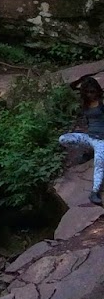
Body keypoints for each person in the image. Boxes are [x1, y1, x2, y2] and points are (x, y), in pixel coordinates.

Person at [58, 74, 104, 206]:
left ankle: (94, 192)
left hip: (102, 140)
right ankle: (88, 151)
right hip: (90, 137)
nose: (91, 94)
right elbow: (72, 87)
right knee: (64, 139)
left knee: (99, 163)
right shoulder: (86, 104)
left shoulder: (102, 103)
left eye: (93, 91)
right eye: (88, 92)